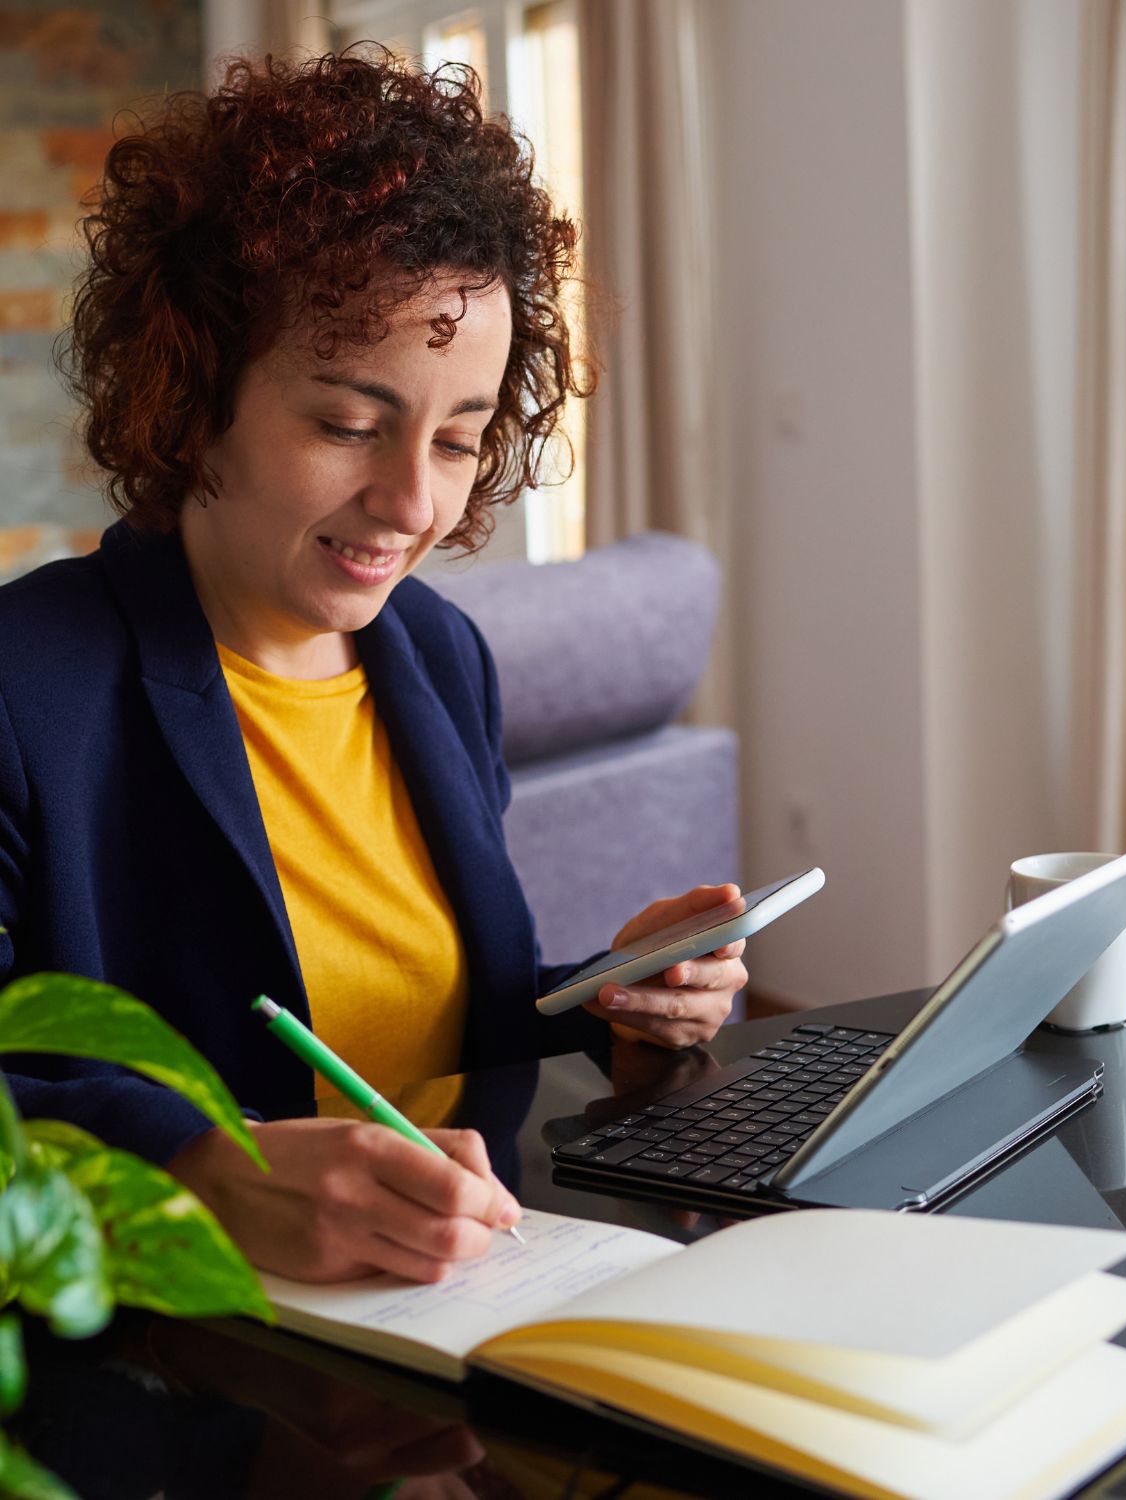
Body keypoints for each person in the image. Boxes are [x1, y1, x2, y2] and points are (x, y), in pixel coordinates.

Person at [0, 50, 746, 1284]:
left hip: (449, 1317)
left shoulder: (437, 658)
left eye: (458, 439)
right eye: (349, 424)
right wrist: (203, 1167)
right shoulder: (30, 689)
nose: (411, 503)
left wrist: (606, 1003)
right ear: (192, 393)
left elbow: (420, 1029)